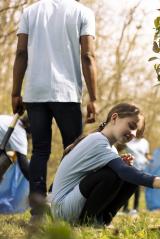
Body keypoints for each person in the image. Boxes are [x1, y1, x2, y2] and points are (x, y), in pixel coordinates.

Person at [11, 0, 98, 220]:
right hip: (66, 93)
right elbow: (88, 56)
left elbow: (21, 53)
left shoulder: (30, 12)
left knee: (40, 151)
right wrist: (94, 97)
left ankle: (38, 211)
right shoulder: (83, 12)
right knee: (74, 151)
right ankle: (58, 202)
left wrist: (16, 92)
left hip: (35, 92)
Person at [51, 103, 160, 225]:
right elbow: (122, 171)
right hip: (63, 211)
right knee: (114, 175)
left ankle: (102, 221)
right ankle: (88, 223)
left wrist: (117, 166)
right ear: (114, 118)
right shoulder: (98, 140)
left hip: (71, 205)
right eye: (131, 126)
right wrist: (159, 182)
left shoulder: (108, 146)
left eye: (136, 132)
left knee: (129, 178)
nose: (133, 134)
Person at [122, 114, 151, 215]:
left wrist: (153, 160)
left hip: (141, 168)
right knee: (126, 188)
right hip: (129, 167)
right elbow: (121, 148)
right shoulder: (129, 140)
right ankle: (125, 208)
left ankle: (135, 208)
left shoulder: (145, 142)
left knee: (137, 189)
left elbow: (147, 155)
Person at [0, 114, 30, 181]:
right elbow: (24, 166)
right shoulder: (20, 134)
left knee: (9, 156)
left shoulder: (10, 119)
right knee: (8, 157)